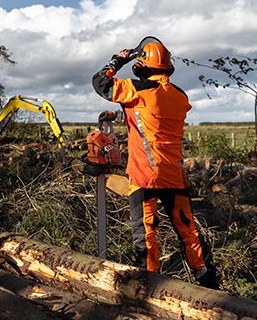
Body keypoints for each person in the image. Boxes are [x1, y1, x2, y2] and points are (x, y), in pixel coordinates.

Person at [92, 40, 220, 289]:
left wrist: (118, 60)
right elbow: (152, 116)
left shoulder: (134, 89)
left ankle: (149, 288)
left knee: (147, 235)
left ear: (141, 66)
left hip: (144, 177)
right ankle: (209, 285)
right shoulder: (180, 96)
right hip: (173, 175)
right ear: (168, 67)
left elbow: (100, 82)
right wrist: (121, 115)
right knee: (189, 233)